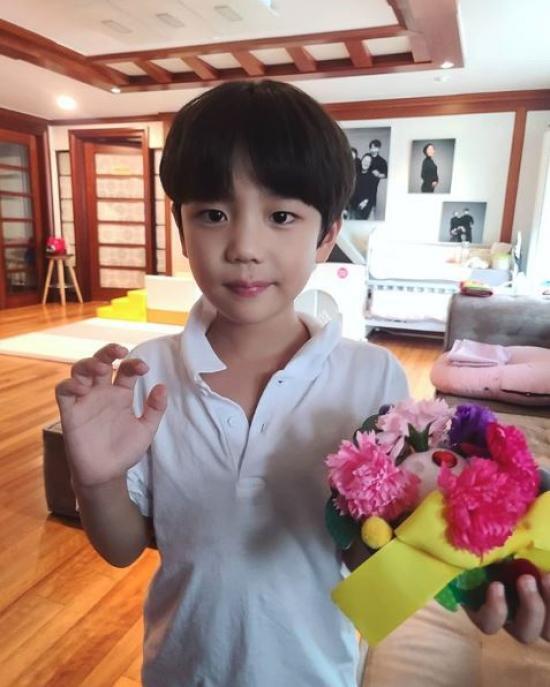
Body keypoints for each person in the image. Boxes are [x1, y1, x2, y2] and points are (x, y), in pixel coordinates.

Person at [55, 80, 550, 687]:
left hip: (315, 673)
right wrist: (96, 479)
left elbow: (370, 548)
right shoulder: (146, 372)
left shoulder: (372, 376)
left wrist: (463, 571)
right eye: (213, 214)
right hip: (180, 671)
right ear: (181, 229)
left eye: (281, 216)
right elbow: (122, 548)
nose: (244, 247)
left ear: (327, 233)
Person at [352, 153, 377, 220]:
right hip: (353, 206)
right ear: (361, 161)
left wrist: (365, 202)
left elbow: (372, 195)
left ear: (370, 164)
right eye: (364, 160)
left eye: (368, 162)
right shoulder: (355, 175)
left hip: (365, 207)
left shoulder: (373, 178)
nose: (366, 163)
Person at [367, 139, 388, 216]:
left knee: (371, 204)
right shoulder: (366, 157)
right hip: (363, 182)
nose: (372, 149)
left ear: (379, 148)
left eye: (375, 147)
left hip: (373, 185)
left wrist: (379, 174)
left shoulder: (382, 161)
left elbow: (386, 174)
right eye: (371, 147)